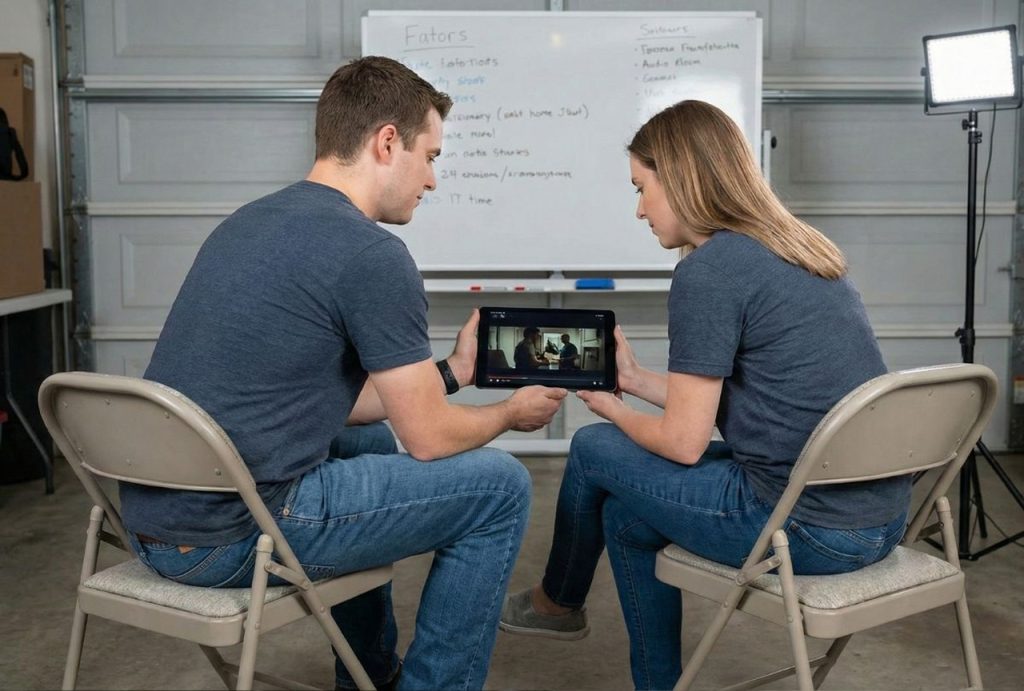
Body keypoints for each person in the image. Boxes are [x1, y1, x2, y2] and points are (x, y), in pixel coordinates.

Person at [119, 56, 567, 691]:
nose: (433, 180)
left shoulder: (248, 223)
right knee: (500, 488)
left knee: (365, 440)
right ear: (388, 142)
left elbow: (328, 402)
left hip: (149, 523)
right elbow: (430, 440)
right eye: (431, 156)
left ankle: (367, 678)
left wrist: (455, 372)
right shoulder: (371, 254)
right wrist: (510, 415)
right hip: (232, 535)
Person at [498, 100, 910, 689]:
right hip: (879, 518)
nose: (639, 209)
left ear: (682, 178)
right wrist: (635, 381)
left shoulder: (711, 271)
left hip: (807, 529)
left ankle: (556, 604)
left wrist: (612, 407)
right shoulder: (804, 249)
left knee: (593, 448)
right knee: (624, 515)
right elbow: (740, 400)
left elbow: (684, 443)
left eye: (642, 188)